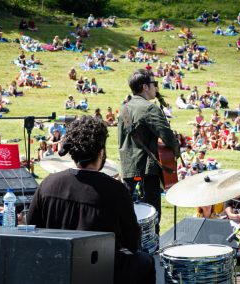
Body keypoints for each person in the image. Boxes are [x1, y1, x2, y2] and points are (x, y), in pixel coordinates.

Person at [28, 116, 155, 283]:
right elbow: (132, 242)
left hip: (57, 270)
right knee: (145, 262)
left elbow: (32, 229)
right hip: (102, 273)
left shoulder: (47, 185)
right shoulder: (117, 190)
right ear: (101, 152)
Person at [118, 69, 180, 234]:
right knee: (150, 221)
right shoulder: (149, 108)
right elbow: (167, 136)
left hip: (128, 171)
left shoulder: (124, 109)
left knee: (131, 218)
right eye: (155, 84)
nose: (156, 88)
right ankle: (151, 257)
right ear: (145, 87)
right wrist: (177, 152)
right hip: (146, 171)